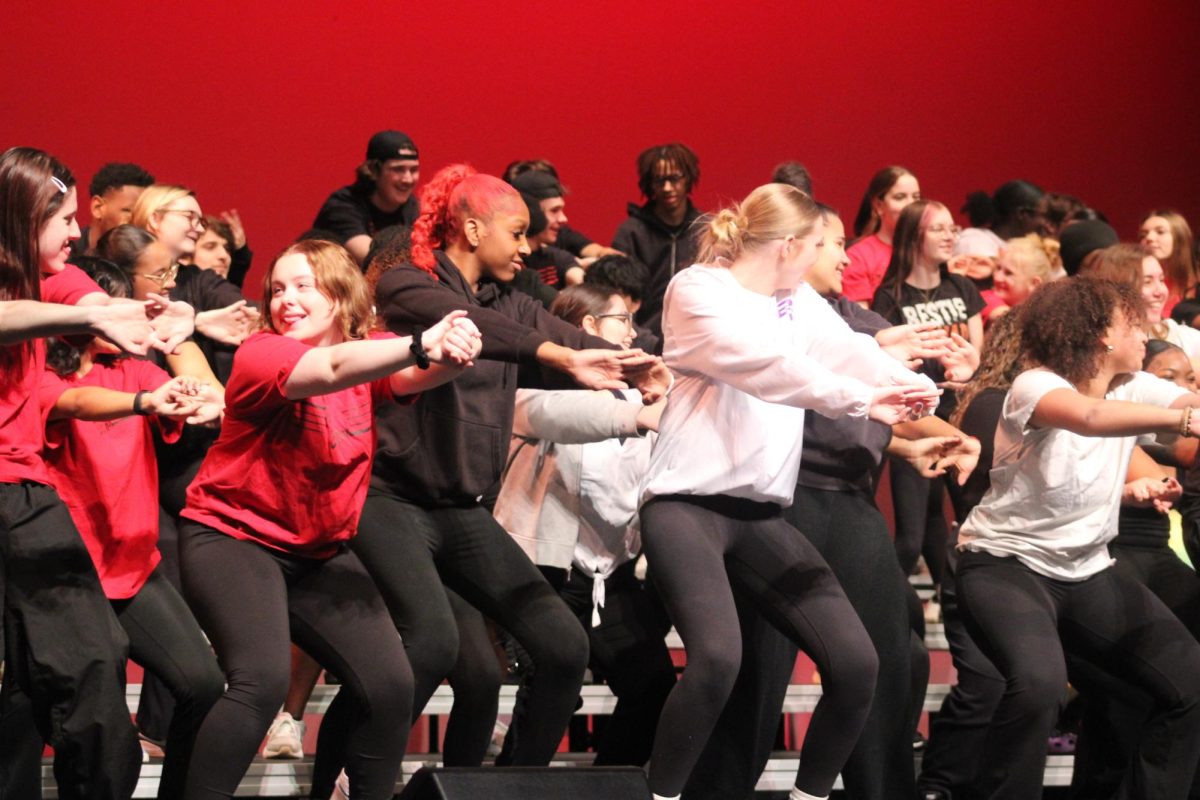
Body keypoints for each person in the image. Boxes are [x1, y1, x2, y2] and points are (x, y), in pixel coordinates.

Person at [308, 164, 668, 794]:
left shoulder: (512, 298)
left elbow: (551, 331)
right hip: (390, 501)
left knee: (561, 645)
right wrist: (561, 357)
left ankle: (509, 788)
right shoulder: (405, 286)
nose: (528, 247)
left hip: (463, 510)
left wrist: (636, 369)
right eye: (517, 232)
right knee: (430, 646)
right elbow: (490, 333)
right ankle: (338, 780)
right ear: (472, 229)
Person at [637, 182, 939, 800]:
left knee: (857, 666)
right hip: (685, 508)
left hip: (760, 517)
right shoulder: (698, 289)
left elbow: (844, 349)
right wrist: (864, 399)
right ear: (790, 245)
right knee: (719, 659)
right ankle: (660, 795)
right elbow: (768, 366)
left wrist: (906, 385)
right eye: (823, 244)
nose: (836, 258)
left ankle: (809, 797)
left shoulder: (793, 299)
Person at [178, 238, 481, 800]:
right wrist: (422, 343)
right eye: (277, 289)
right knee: (260, 684)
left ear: (342, 298)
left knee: (392, 684)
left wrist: (452, 355)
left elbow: (410, 374)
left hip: (316, 551)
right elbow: (334, 365)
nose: (285, 300)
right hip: (233, 537)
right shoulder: (262, 353)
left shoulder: (369, 353)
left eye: (302, 287)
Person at [955, 276, 1200, 799]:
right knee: (1039, 685)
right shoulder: (1035, 385)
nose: (1147, 332)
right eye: (1133, 323)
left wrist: (1188, 410)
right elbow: (1090, 418)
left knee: (1190, 683)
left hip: (1088, 571)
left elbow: (1184, 398)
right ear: (1101, 336)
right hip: (1006, 565)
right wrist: (1185, 418)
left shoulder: (1133, 385)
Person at [0, 145, 189, 800]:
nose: (78, 232)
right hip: (12, 499)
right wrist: (94, 314)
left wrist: (142, 318)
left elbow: (83, 292)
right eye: (64, 218)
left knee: (86, 666)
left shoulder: (45, 279)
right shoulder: (15, 290)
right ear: (25, 217)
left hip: (23, 496)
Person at [33, 258, 226, 799]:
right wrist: (143, 403)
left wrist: (184, 356)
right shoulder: (42, 377)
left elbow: (197, 390)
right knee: (96, 729)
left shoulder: (133, 368)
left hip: (133, 569)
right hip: (68, 578)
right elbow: (73, 402)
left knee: (204, 685)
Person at [494, 283, 676, 767]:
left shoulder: (641, 393)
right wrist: (636, 413)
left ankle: (607, 788)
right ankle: (513, 790)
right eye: (622, 320)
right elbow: (561, 417)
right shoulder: (546, 382)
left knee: (653, 685)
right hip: (549, 570)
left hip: (609, 574)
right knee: (554, 689)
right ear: (590, 328)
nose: (634, 332)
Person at [871, 200, 984, 594]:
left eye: (953, 228)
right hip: (917, 416)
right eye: (939, 229)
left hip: (962, 413)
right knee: (913, 533)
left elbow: (979, 355)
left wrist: (968, 373)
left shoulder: (963, 288)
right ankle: (886, 606)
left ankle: (959, 602)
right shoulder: (890, 295)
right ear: (913, 237)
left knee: (970, 519)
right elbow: (885, 360)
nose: (950, 236)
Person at [612, 143, 702, 346]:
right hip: (642, 339)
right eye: (660, 180)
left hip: (696, 337)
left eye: (675, 178)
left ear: (688, 178)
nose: (667, 188)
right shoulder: (631, 233)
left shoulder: (705, 230)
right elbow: (617, 295)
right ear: (649, 184)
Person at [313, 130, 421, 265]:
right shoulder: (342, 207)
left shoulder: (414, 207)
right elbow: (375, 260)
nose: (408, 179)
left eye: (414, 170)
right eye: (398, 170)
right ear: (374, 170)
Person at [1083, 243, 1200, 364]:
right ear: (1119, 289)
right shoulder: (1100, 347)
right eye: (1147, 282)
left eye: (1161, 280)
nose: (1160, 291)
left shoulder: (1181, 337)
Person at [842, 166, 921, 305]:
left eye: (916, 197)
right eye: (900, 197)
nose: (911, 205)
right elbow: (861, 320)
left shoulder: (926, 249)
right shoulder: (858, 257)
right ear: (879, 206)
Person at [69, 161, 155, 258]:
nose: (139, 219)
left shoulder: (146, 260)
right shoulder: (67, 257)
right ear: (97, 208)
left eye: (143, 212)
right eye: (129, 211)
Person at [1140, 209, 1197, 320]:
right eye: (1143, 235)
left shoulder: (1195, 282)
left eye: (1160, 232)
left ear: (1180, 238)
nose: (1149, 238)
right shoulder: (1134, 282)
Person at [987, 234, 1056, 323]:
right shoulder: (986, 298)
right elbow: (1008, 320)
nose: (997, 278)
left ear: (1035, 284)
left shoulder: (1045, 312)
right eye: (998, 268)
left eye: (1008, 273)